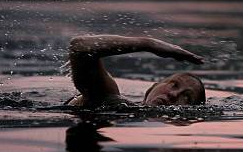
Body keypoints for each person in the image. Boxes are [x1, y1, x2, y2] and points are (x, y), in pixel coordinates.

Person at [65, 35, 206, 108]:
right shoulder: (111, 99)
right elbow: (79, 47)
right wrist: (148, 44)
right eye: (174, 84)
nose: (174, 94)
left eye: (187, 97)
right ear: (151, 88)